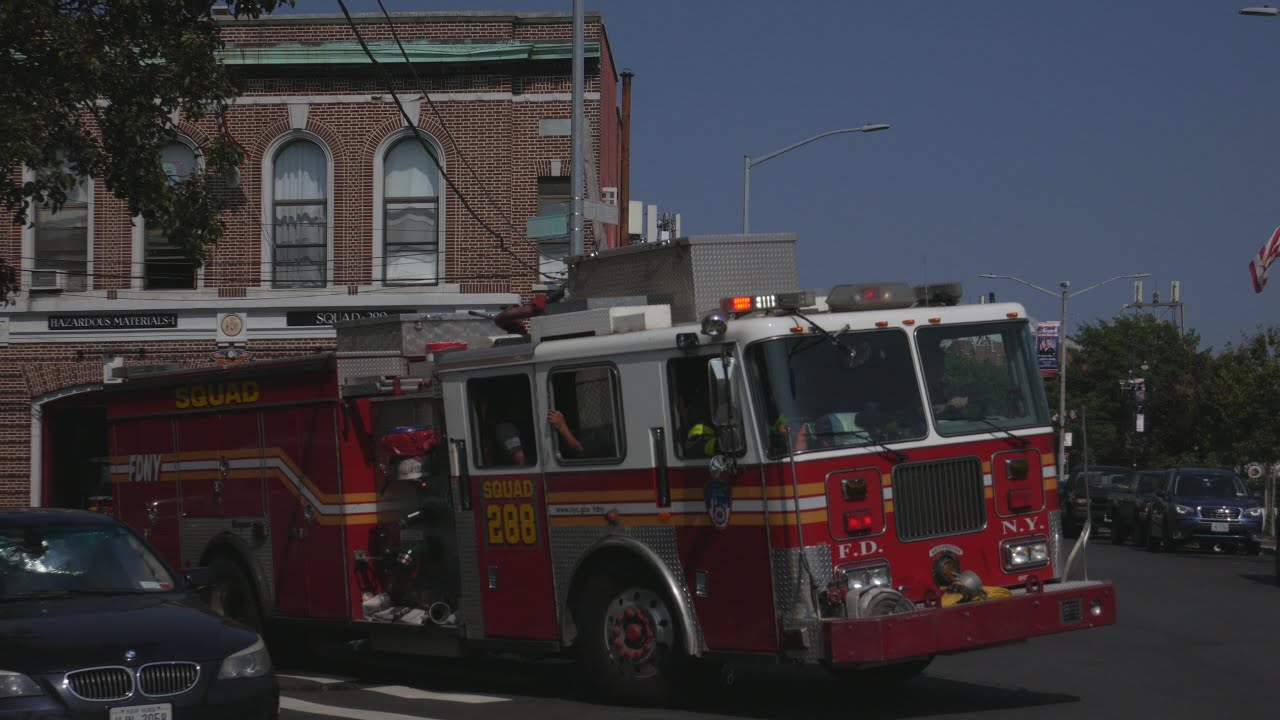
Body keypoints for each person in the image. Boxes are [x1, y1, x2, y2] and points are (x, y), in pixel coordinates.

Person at [921, 341, 968, 416]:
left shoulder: (947, 387)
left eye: (941, 362)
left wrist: (964, 401)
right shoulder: (920, 390)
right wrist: (947, 406)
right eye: (935, 363)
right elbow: (925, 413)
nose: (940, 367)